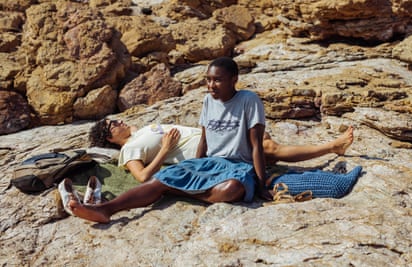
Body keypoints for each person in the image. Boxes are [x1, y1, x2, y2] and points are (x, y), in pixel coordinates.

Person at [65, 57, 273, 223]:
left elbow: (256, 145)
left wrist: (261, 184)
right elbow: (204, 140)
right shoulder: (209, 100)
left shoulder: (248, 100)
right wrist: (196, 164)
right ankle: (105, 209)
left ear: (234, 79)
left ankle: (173, 188)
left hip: (238, 164)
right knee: (161, 178)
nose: (210, 85)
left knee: (232, 189)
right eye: (208, 79)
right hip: (210, 160)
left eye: (217, 80)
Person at [89, 119, 354, 183]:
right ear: (110, 139)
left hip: (214, 137)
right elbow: (142, 177)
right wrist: (166, 150)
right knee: (268, 149)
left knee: (261, 134)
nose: (118, 122)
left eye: (116, 119)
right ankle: (333, 146)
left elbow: (142, 131)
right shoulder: (128, 150)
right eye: (112, 126)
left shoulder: (138, 132)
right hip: (208, 151)